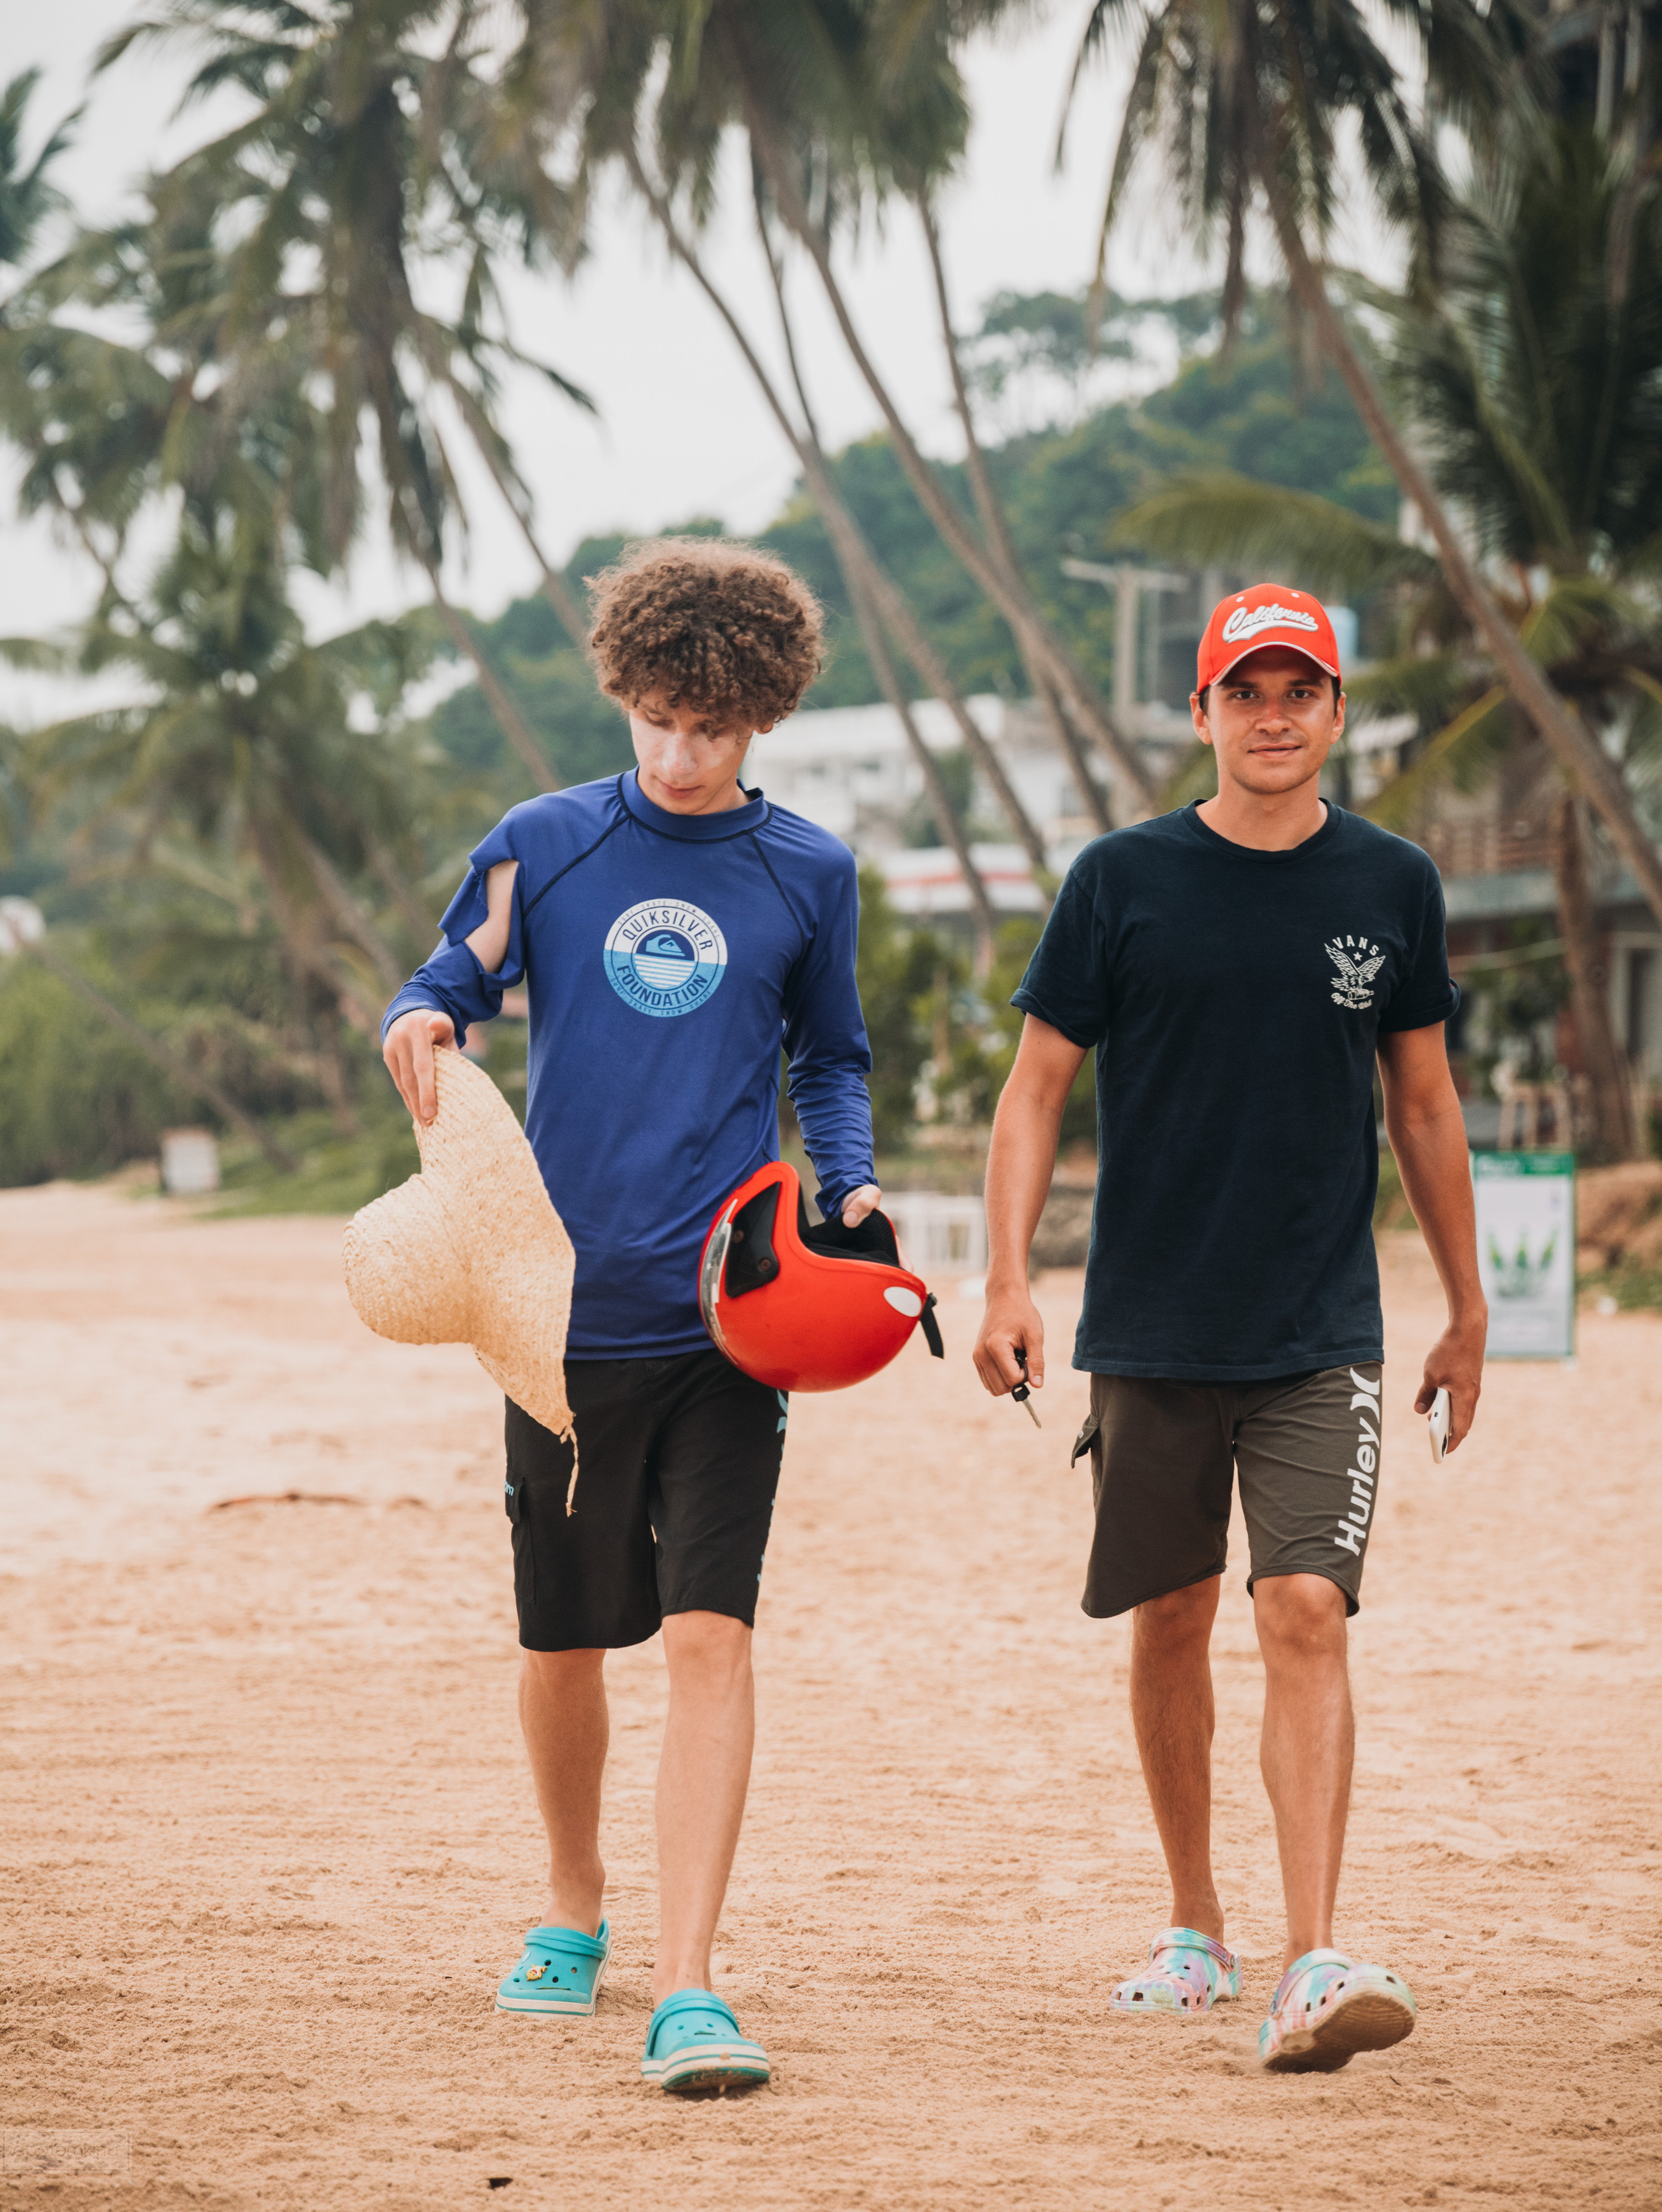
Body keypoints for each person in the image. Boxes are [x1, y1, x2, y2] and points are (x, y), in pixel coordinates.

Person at [381, 538, 880, 2095]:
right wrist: (420, 1016)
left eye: (714, 728)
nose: (681, 753)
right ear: (623, 689)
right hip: (553, 1322)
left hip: (732, 1322)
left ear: (764, 718)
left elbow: (832, 1061)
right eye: (660, 717)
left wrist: (847, 1183)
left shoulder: (808, 870)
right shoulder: (544, 844)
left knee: (709, 1634)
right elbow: (446, 973)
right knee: (562, 1643)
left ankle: (688, 1982)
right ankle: (573, 1911)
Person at [973, 584, 1485, 2073]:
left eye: (1299, 690)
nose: (1272, 715)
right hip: (1147, 1319)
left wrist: (1465, 1312)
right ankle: (1193, 1922)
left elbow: (1424, 1103)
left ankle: (1309, 1954)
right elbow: (1035, 1088)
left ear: (1335, 712)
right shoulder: (1118, 879)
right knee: (1172, 1617)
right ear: (1198, 711)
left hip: (1319, 1323)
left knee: (1303, 1608)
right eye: (1243, 690)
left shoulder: (1390, 882)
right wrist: (1007, 1277)